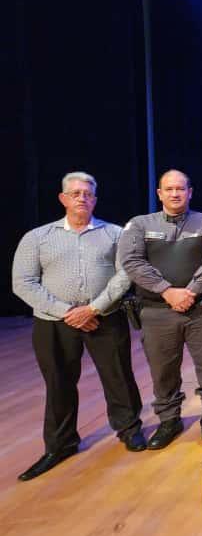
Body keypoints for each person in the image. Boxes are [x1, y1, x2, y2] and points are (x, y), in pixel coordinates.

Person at [12, 172, 145, 481]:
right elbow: (23, 282)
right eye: (75, 193)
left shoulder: (114, 234)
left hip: (105, 316)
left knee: (119, 376)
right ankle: (60, 445)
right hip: (54, 322)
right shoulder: (37, 237)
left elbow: (125, 275)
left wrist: (94, 308)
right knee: (58, 381)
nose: (82, 198)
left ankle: (129, 429)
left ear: (95, 199)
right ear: (63, 198)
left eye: (87, 193)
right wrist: (68, 312)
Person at [118, 169, 202, 450]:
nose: (175, 193)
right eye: (169, 189)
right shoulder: (139, 224)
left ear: (190, 192)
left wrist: (191, 291)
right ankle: (169, 420)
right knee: (162, 369)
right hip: (156, 310)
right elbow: (131, 262)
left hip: (201, 307)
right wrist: (167, 291)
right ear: (159, 193)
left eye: (180, 189)